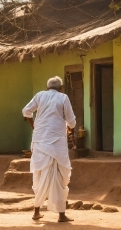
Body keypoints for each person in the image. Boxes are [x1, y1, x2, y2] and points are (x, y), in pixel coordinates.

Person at [22, 76, 76, 222]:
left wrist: (34, 126)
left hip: (39, 141)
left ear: (47, 88)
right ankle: (61, 214)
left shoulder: (40, 95)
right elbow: (71, 120)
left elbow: (26, 111)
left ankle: (36, 211)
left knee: (39, 176)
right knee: (58, 176)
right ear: (61, 88)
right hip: (57, 142)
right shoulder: (63, 97)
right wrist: (72, 129)